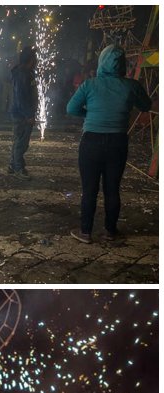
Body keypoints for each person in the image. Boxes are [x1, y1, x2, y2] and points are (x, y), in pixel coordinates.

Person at [66, 44, 152, 245]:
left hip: (91, 142)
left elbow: (71, 108)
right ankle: (110, 231)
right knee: (112, 188)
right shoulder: (131, 86)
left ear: (101, 62)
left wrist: (89, 114)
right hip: (117, 142)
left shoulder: (89, 85)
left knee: (89, 189)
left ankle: (85, 232)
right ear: (122, 64)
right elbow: (146, 106)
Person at [9, 47, 38, 178]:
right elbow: (21, 97)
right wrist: (28, 115)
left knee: (18, 140)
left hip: (21, 113)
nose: (36, 60)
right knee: (22, 142)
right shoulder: (22, 74)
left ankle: (12, 165)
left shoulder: (25, 72)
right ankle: (18, 168)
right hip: (22, 115)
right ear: (30, 60)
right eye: (34, 58)